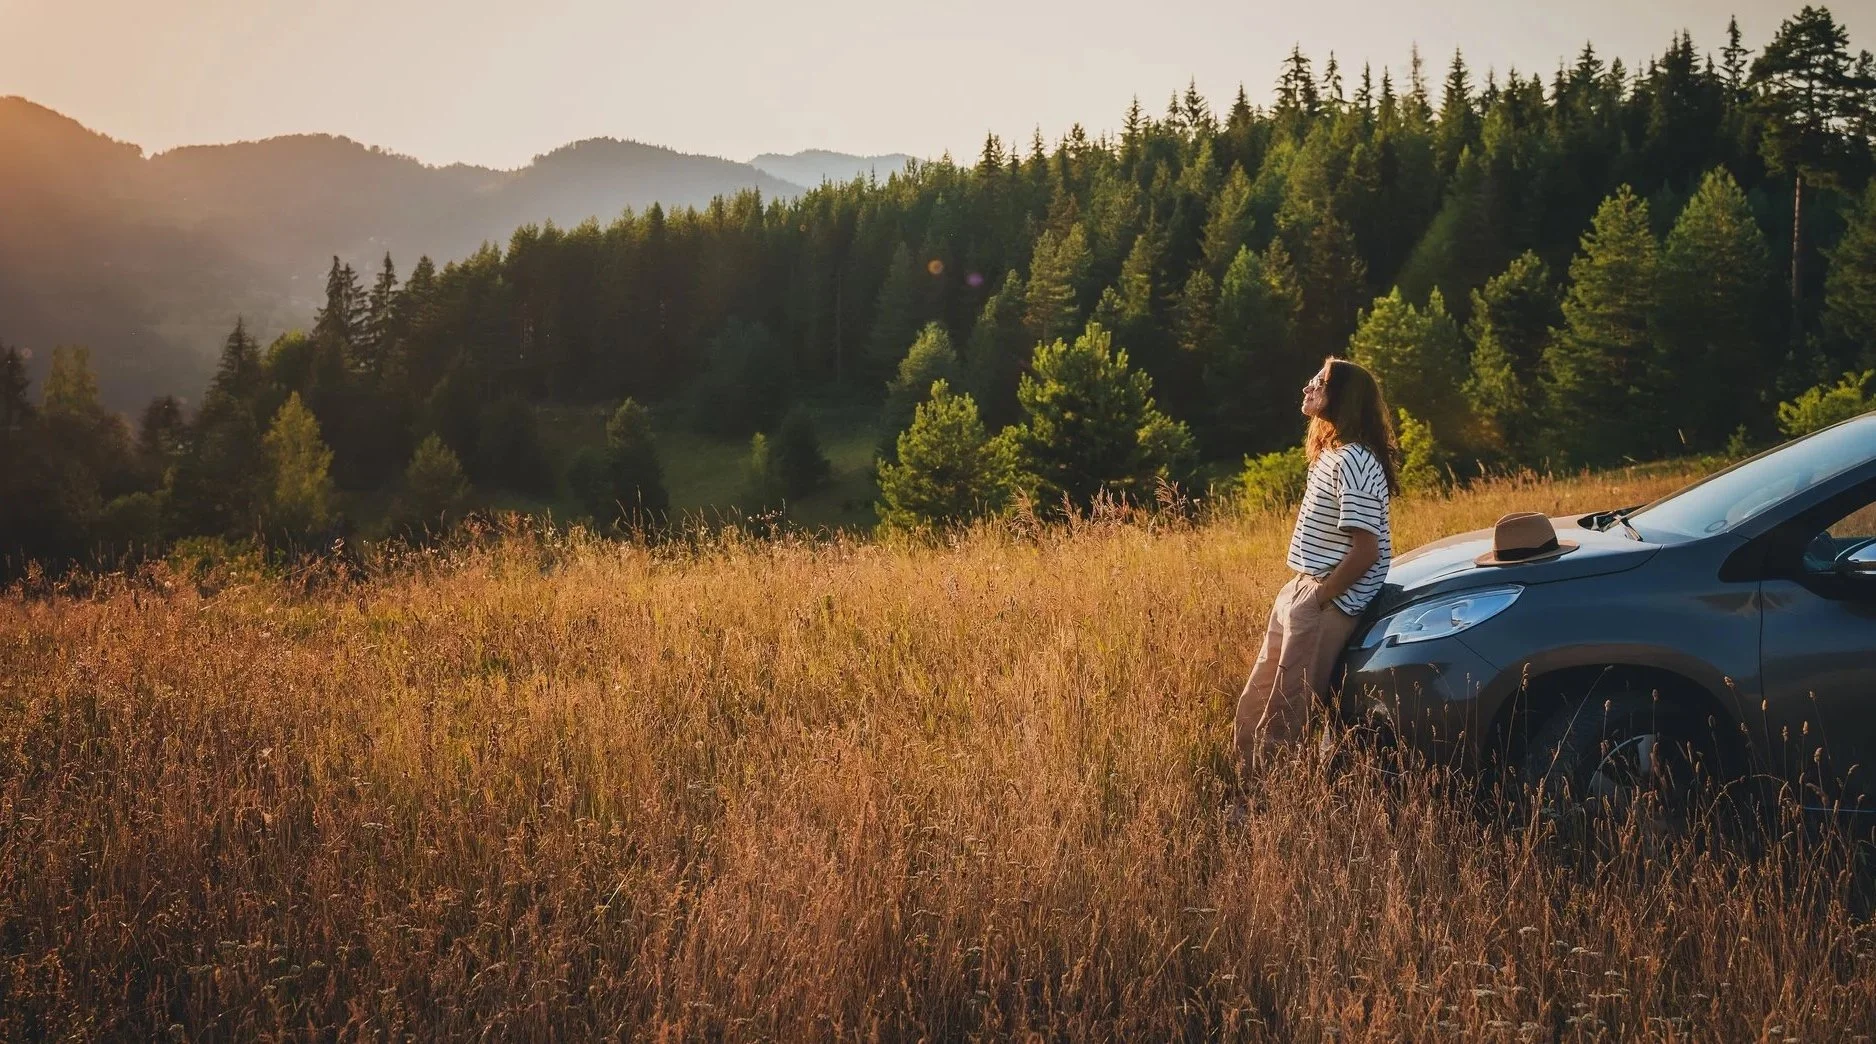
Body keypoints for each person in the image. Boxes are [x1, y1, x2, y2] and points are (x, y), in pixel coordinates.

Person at [1233, 356, 1400, 776]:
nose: (1308, 387)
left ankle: (1271, 806)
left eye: (1320, 382)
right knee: (1258, 697)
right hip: (1302, 587)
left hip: (1325, 596)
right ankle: (1247, 787)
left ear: (1342, 397)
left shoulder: (1357, 461)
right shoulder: (1332, 454)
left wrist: (1320, 600)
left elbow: (1366, 550)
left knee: (1286, 711)